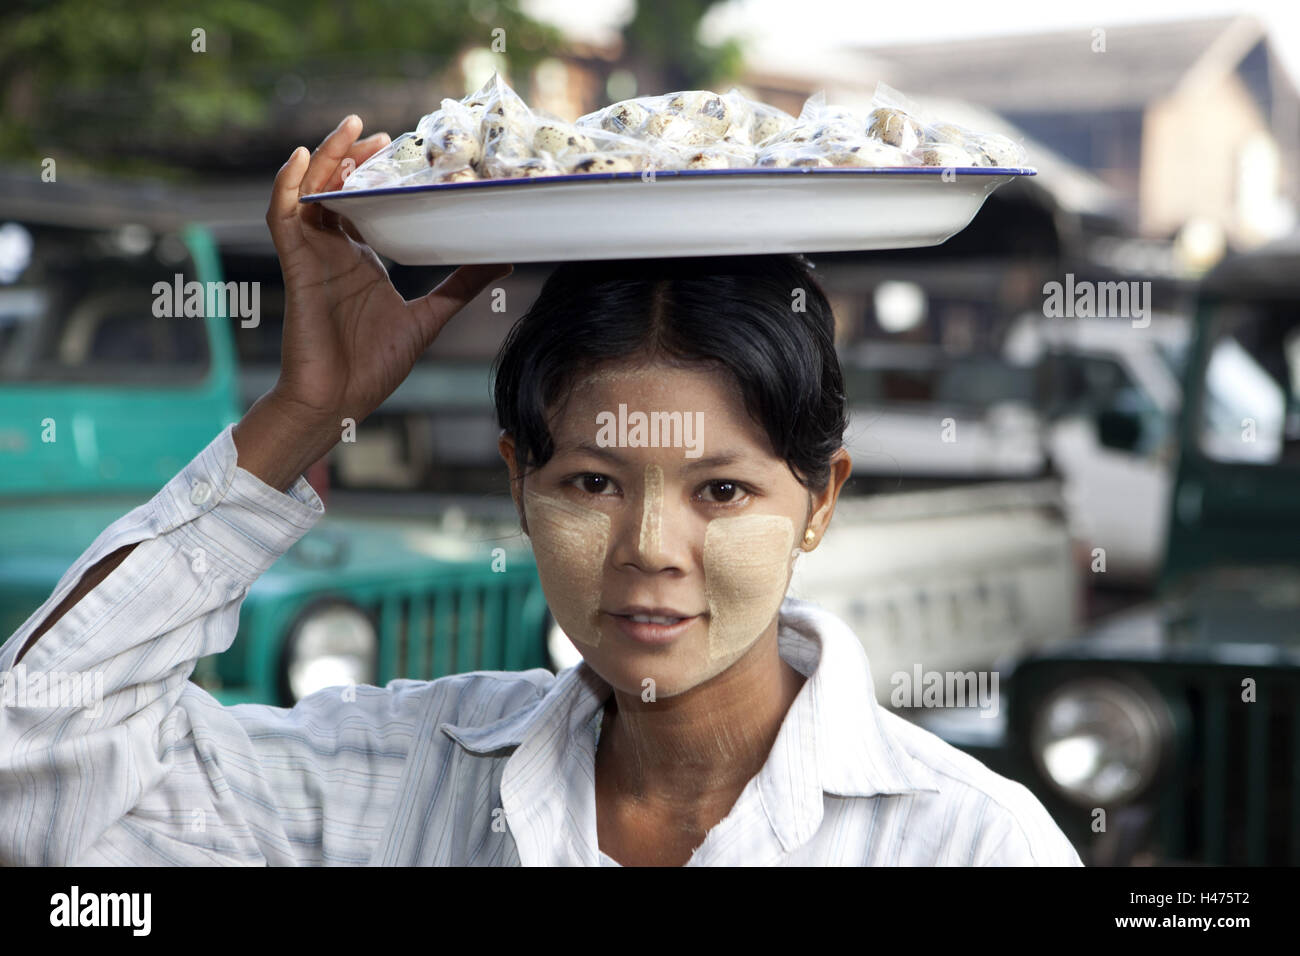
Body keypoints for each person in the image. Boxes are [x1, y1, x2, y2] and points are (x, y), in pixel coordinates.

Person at [0, 115, 1082, 866]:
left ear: (820, 497)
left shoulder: (967, 839)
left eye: (720, 490)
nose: (649, 546)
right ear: (520, 480)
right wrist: (299, 414)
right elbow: (37, 761)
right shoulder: (403, 780)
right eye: (594, 480)